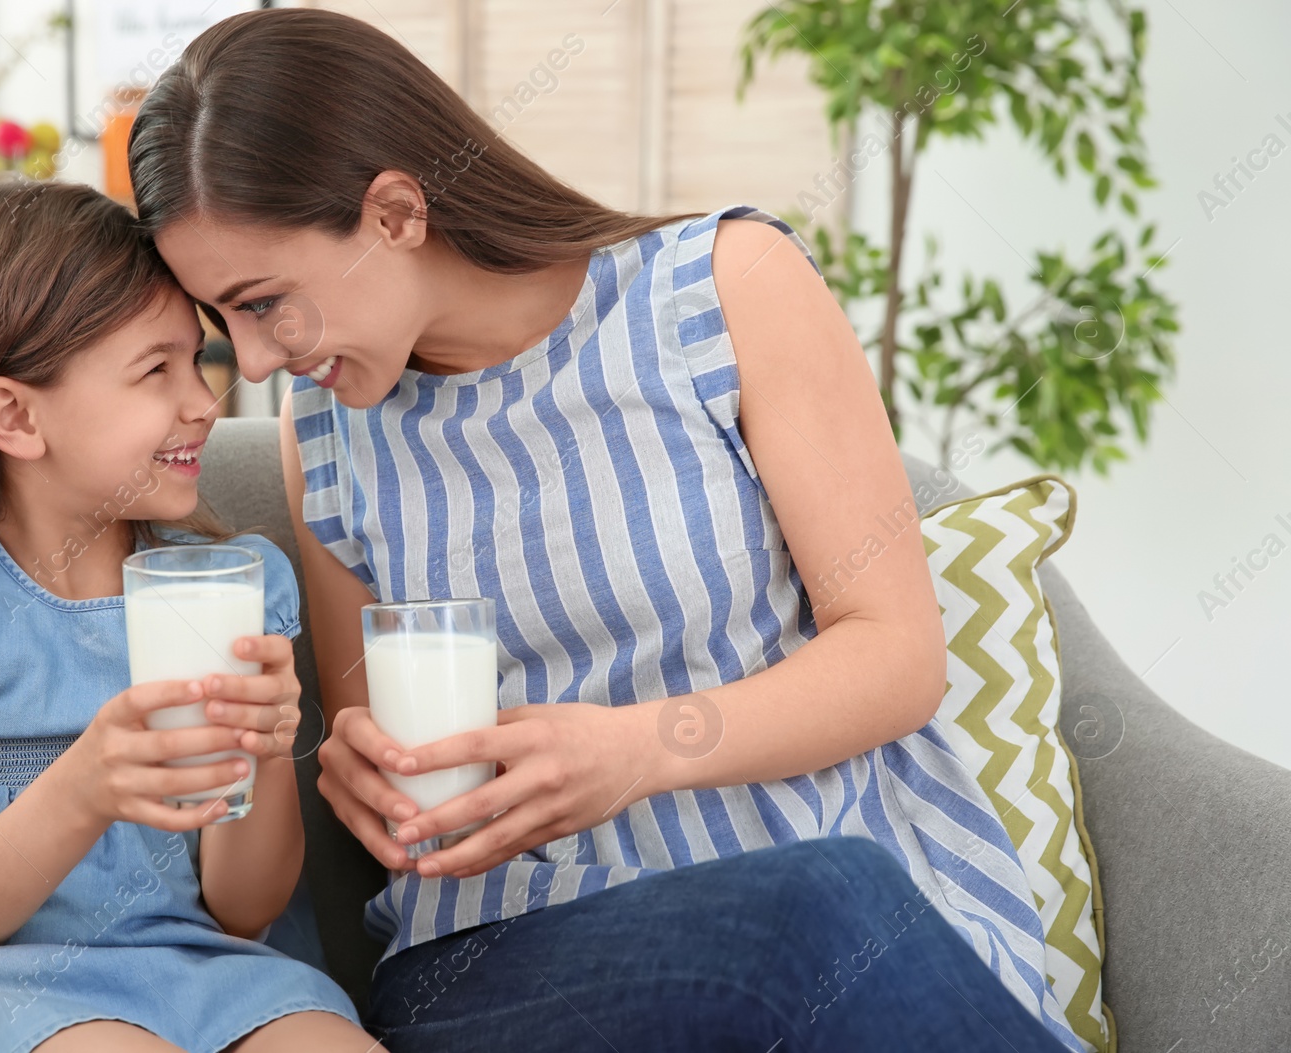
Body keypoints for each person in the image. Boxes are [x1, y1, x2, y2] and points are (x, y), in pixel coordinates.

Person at [128, 9, 1087, 1052]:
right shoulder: (325, 430)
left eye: (267, 303)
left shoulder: (722, 290)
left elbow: (897, 655)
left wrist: (641, 748)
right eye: (228, 320)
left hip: (829, 905)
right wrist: (355, 766)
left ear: (396, 211)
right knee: (811, 917)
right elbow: (375, 723)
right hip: (505, 954)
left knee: (817, 908)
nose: (256, 364)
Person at [0, 175, 387, 1053]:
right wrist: (86, 783)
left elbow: (246, 907)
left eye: (198, 359)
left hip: (203, 968)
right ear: (14, 414)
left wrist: (265, 749)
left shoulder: (232, 584)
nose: (203, 398)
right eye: (156, 369)